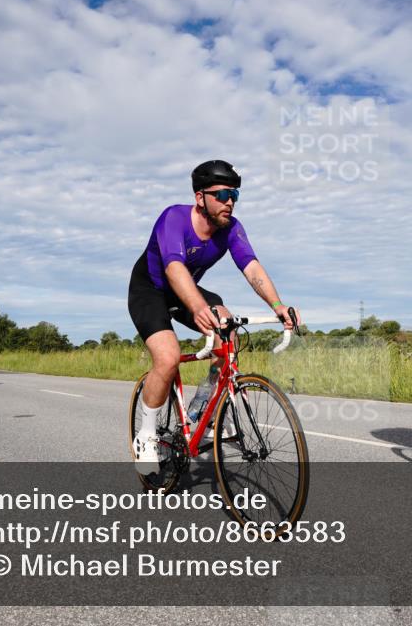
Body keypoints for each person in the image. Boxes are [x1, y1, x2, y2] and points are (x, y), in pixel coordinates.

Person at [128, 160, 301, 472]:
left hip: (186, 289)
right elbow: (174, 268)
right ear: (200, 197)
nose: (230, 201)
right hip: (150, 291)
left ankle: (201, 410)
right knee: (167, 359)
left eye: (234, 193)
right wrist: (197, 308)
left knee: (228, 329)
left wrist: (278, 306)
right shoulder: (174, 218)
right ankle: (146, 435)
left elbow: (252, 268)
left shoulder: (231, 228)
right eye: (222, 194)